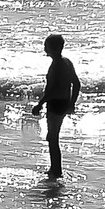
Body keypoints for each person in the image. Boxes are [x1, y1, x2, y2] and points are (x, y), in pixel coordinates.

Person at [30, 33, 81, 179]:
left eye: (46, 45)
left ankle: (56, 171)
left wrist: (40, 103)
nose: (44, 48)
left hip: (56, 103)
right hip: (64, 102)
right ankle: (55, 168)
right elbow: (76, 84)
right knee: (52, 137)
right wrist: (71, 103)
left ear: (52, 48)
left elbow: (54, 90)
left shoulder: (57, 65)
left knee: (52, 138)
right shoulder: (66, 62)